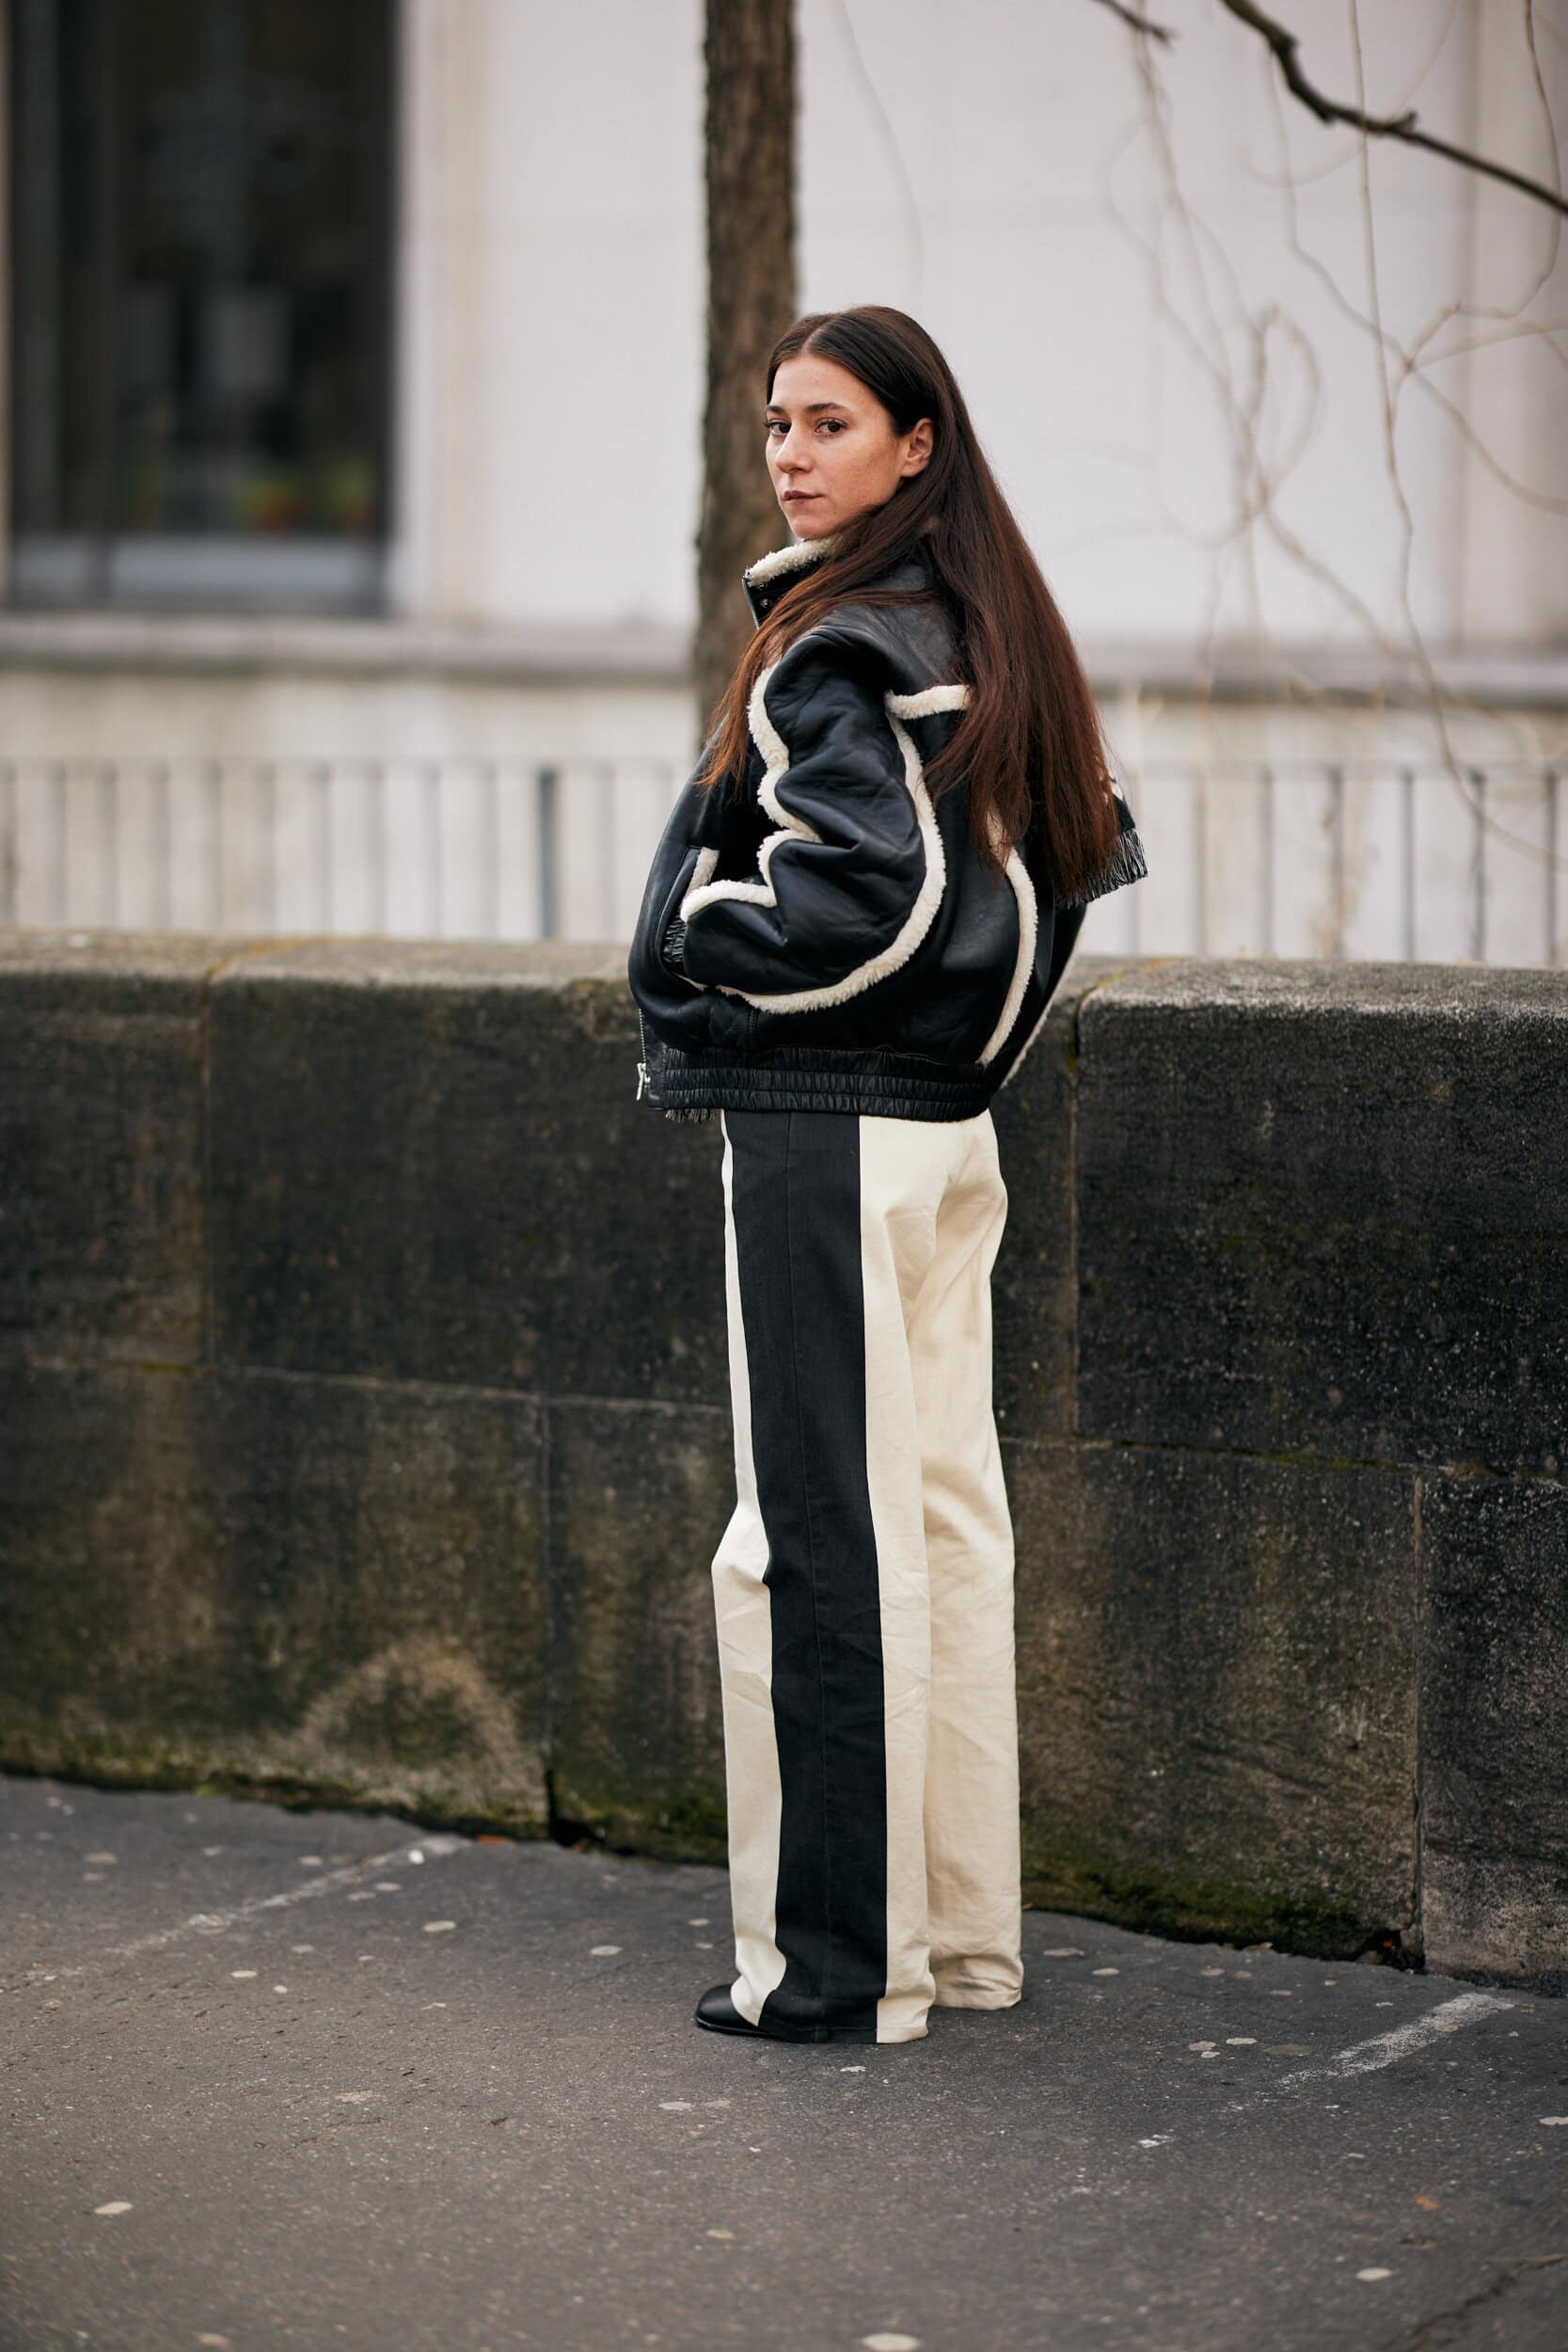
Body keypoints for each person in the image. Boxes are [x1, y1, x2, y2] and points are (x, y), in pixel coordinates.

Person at [626, 305, 1147, 2046]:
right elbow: (1063, 876)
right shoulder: (992, 630)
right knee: (940, 1527)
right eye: (779, 421)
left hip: (829, 1131)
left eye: (830, 423)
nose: (790, 453)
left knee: (810, 1547)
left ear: (916, 444)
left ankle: (838, 1971)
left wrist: (691, 929)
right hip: (943, 1126)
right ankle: (959, 1948)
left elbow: (857, 899)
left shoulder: (836, 644)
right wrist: (958, 1053)